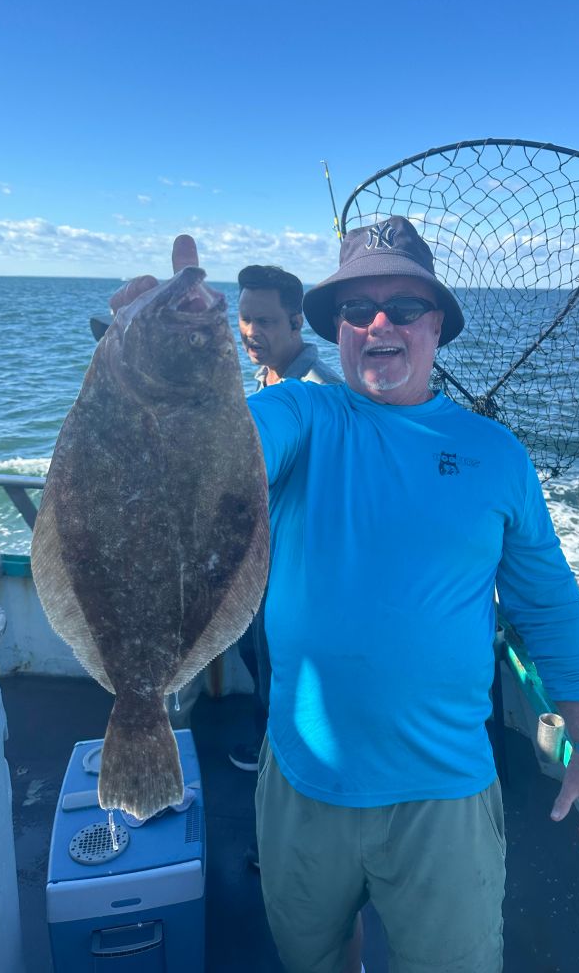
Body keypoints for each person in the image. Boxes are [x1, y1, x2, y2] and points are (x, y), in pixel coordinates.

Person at [113, 221, 579, 973]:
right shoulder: (302, 415)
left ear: (437, 324)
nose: (378, 323)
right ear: (339, 331)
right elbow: (211, 454)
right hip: (303, 783)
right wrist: (160, 360)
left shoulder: (496, 454)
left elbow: (548, 605)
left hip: (444, 795)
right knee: (311, 958)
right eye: (357, 310)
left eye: (402, 307)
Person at [230, 263, 342, 776]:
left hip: (300, 571)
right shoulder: (265, 380)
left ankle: (278, 772)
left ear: (298, 323)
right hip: (261, 560)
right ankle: (266, 747)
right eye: (245, 317)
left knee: (283, 674)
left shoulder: (321, 390)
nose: (252, 331)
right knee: (258, 659)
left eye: (267, 321)